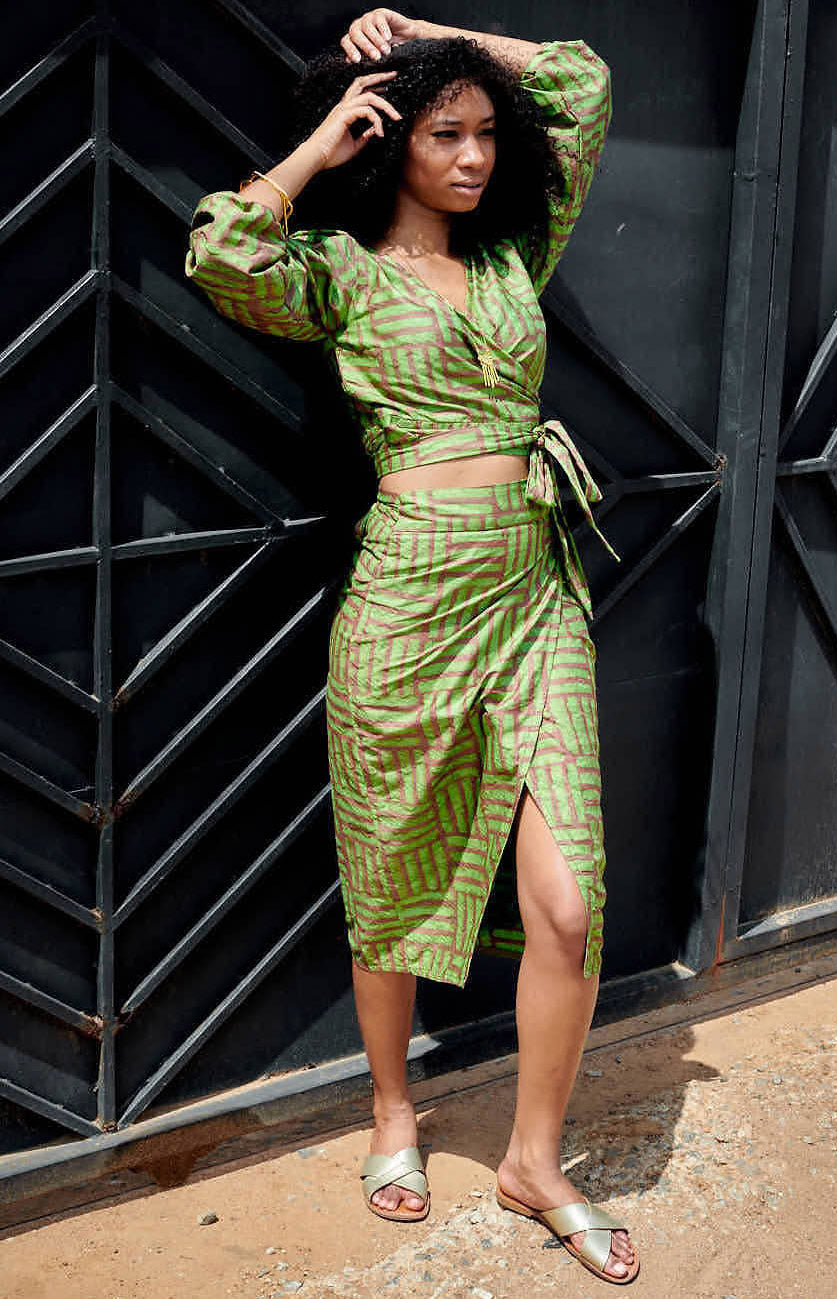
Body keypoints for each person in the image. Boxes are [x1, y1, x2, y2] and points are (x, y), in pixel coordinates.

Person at [185, 7, 638, 1284]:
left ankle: (534, 1161)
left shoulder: (514, 262)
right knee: (388, 874)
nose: (479, 155)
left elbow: (584, 83)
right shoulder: (336, 270)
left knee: (568, 902)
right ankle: (395, 1111)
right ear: (396, 143)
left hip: (531, 595)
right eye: (447, 132)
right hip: (405, 603)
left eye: (488, 133)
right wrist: (322, 142)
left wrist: (441, 37)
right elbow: (219, 252)